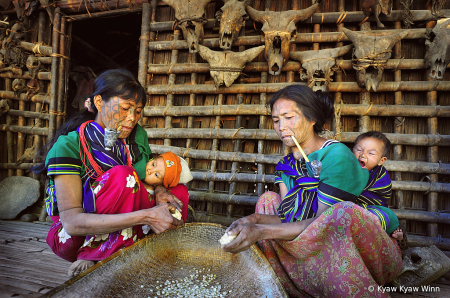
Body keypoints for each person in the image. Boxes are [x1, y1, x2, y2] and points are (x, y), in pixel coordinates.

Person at [221, 85, 402, 298]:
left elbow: (320, 223)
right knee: (267, 200)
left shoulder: (337, 156)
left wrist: (260, 231)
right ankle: (294, 282)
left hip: (366, 255)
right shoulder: (287, 165)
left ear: (311, 118)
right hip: (312, 252)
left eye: (289, 117)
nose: (281, 127)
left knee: (341, 213)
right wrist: (251, 220)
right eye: (276, 120)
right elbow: (287, 218)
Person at [33, 69, 189, 277]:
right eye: (125, 109)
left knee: (177, 191)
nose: (132, 118)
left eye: (138, 111)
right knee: (124, 176)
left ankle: (153, 250)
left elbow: (149, 174)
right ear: (98, 102)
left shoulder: (134, 137)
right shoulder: (69, 145)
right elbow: (71, 223)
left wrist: (160, 191)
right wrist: (147, 216)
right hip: (76, 236)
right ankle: (94, 255)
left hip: (126, 220)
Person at [353, 131, 403, 241]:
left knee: (388, 216)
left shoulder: (380, 175)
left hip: (372, 207)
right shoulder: (346, 167)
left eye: (370, 153)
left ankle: (395, 233)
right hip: (348, 205)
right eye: (359, 149)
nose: (363, 155)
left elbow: (380, 197)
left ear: (381, 160)